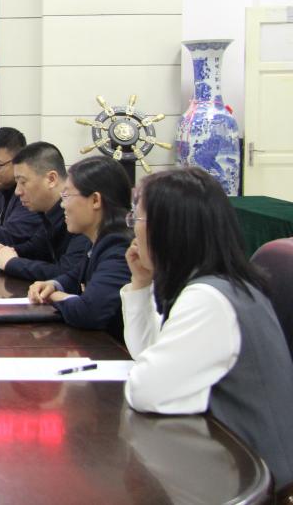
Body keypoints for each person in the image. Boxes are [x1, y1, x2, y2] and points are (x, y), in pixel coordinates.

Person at [122, 167, 293, 490]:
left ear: (168, 230)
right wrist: (141, 283)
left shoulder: (208, 299)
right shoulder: (211, 282)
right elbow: (145, 351)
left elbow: (145, 391)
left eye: (137, 219)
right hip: (229, 460)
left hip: (252, 479)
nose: (132, 229)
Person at [27, 156, 132, 339]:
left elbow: (89, 312)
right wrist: (52, 285)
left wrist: (53, 296)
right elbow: (75, 276)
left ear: (95, 200)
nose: (62, 205)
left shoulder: (120, 246)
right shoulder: (101, 238)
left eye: (67, 196)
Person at [0, 141, 90, 282]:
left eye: (23, 182)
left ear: (51, 179)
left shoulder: (81, 214)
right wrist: (3, 251)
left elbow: (68, 274)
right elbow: (36, 248)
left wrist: (11, 263)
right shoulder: (47, 212)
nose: (17, 191)